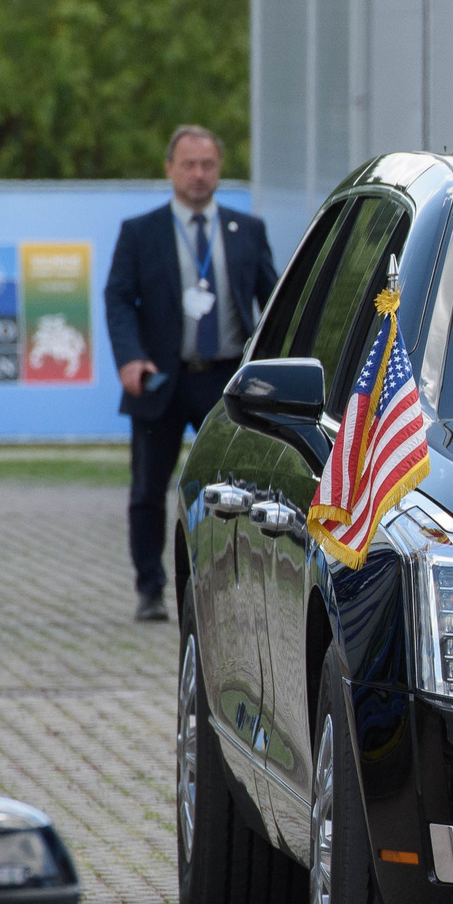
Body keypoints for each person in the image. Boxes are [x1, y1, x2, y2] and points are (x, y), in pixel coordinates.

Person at [105, 125, 277, 621]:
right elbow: (118, 299)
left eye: (208, 165)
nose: (198, 174)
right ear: (169, 169)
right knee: (147, 490)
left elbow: (273, 300)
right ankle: (151, 589)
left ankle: (237, 585)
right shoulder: (141, 232)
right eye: (189, 164)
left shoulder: (247, 230)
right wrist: (130, 358)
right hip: (160, 377)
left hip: (223, 380)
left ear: (220, 169)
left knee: (238, 488)